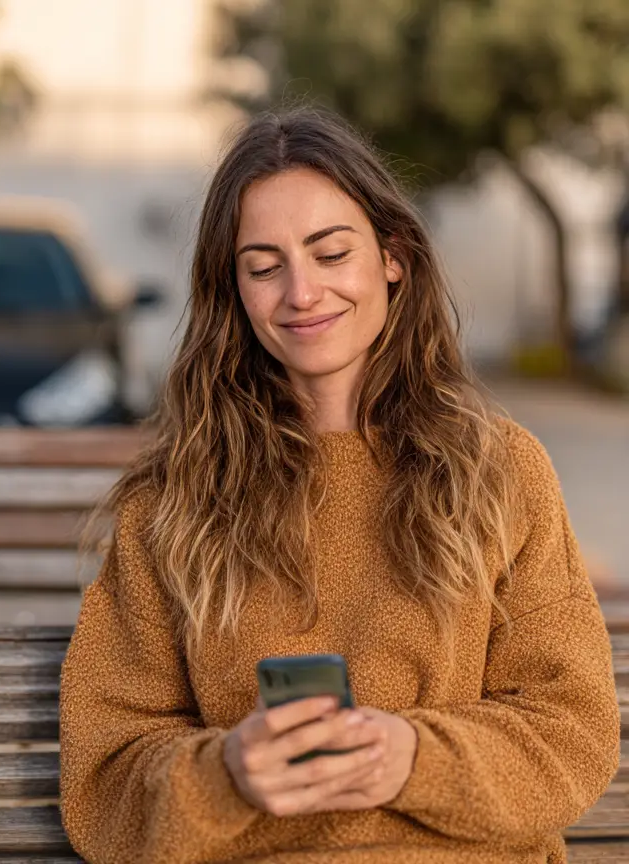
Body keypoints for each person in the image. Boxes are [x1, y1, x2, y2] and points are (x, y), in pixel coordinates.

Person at [58, 107, 619, 863]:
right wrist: (225, 773)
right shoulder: (173, 504)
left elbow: (571, 731)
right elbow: (105, 778)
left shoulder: (503, 472)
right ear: (233, 292)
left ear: (392, 257)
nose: (301, 292)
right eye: (263, 266)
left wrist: (411, 757)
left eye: (330, 253)